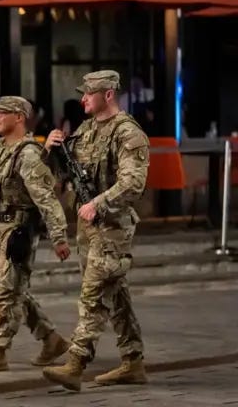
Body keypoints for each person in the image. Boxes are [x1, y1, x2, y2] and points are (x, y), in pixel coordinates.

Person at [42, 70, 149, 392]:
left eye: (89, 94)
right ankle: (133, 361)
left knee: (92, 294)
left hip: (112, 227)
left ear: (109, 95)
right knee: (115, 294)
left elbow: (133, 183)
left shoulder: (127, 132)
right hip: (87, 228)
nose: (83, 99)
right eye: (83, 94)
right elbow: (60, 175)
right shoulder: (86, 130)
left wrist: (98, 204)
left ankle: (76, 363)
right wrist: (50, 150)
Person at [0, 96, 72, 374]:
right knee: (15, 289)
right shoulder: (1, 150)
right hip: (1, 228)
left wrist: (59, 236)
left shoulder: (27, 154)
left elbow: (45, 198)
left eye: (2, 113)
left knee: (5, 292)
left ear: (19, 117)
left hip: (19, 231)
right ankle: (51, 339)